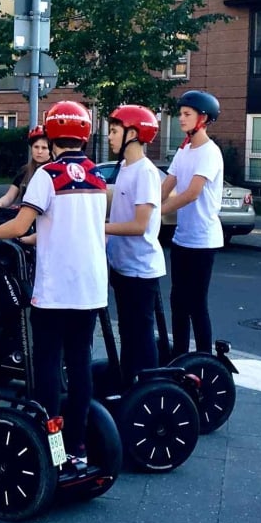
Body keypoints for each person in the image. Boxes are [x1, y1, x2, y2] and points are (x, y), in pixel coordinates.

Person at [0, 101, 108, 469]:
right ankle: (78, 446)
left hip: (56, 289)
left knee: (48, 363)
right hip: (91, 286)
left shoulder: (47, 175)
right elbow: (75, 226)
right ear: (84, 135)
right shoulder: (98, 176)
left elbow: (20, 224)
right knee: (80, 363)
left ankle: (53, 449)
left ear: (51, 136)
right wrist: (38, 239)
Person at [103, 105, 166, 386]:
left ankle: (149, 391)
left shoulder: (146, 173)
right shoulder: (126, 169)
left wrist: (98, 229)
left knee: (140, 334)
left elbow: (140, 225)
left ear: (133, 134)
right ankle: (130, 385)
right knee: (128, 333)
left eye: (115, 131)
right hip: (122, 266)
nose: (109, 137)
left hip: (141, 270)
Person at [159, 90, 224, 358]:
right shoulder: (184, 150)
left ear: (203, 118)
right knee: (177, 301)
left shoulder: (210, 152)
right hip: (182, 238)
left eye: (187, 114)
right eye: (180, 114)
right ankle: (181, 357)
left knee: (197, 303)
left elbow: (192, 193)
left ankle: (204, 360)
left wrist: (157, 213)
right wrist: (149, 205)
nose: (181, 119)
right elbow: (169, 184)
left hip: (203, 239)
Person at [0, 126, 51, 215]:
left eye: (44, 148)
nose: (39, 151)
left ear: (51, 150)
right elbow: (10, 196)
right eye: (36, 147)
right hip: (25, 220)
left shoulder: (54, 171)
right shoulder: (25, 170)